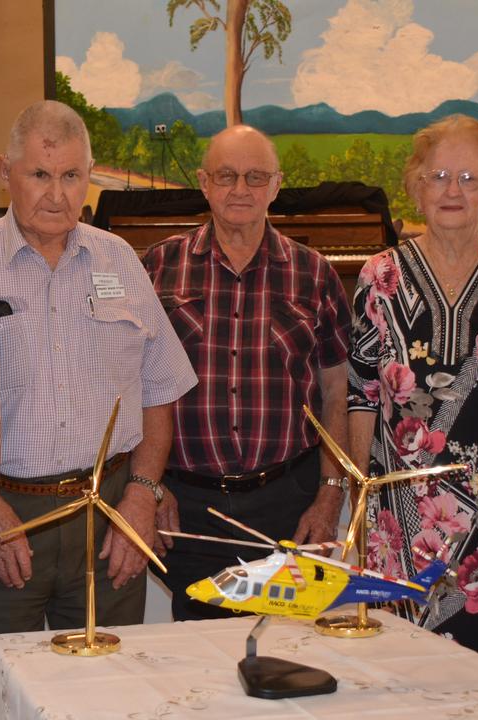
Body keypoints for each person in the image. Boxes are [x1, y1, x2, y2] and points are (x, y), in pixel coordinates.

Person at [0, 100, 197, 634]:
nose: (57, 195)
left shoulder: (120, 259)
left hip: (107, 517)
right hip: (4, 515)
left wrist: (143, 495)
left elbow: (159, 388)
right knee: (2, 682)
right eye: (39, 175)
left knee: (108, 686)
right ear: (5, 172)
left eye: (73, 176)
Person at [345, 115, 478, 674]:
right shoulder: (379, 275)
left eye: (470, 177)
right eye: (439, 175)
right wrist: (358, 499)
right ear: (415, 185)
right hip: (399, 525)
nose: (453, 190)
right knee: (399, 681)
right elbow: (362, 394)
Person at [143, 125, 352, 621]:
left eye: (256, 176)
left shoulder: (315, 273)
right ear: (204, 183)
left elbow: (337, 392)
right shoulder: (158, 267)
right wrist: (148, 483)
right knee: (197, 661)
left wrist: (330, 495)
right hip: (188, 506)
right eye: (227, 175)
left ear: (277, 185)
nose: (241, 189)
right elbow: (128, 382)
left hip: (289, 504)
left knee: (285, 651)